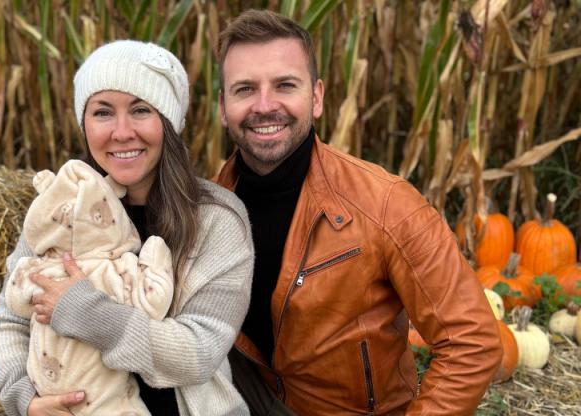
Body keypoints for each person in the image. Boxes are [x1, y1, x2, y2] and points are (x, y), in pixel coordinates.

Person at [214, 10, 503, 416]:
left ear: (316, 97)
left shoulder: (386, 205)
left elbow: (472, 341)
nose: (264, 105)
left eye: (285, 85)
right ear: (223, 106)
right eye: (245, 89)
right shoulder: (203, 210)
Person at [0, 39, 254, 416]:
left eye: (141, 110)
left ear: (168, 122)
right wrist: (24, 399)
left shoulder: (217, 220)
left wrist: (87, 313)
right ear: (84, 124)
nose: (122, 131)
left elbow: (198, 353)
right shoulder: (59, 208)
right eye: (103, 112)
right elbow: (9, 320)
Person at [2, 158, 175, 415]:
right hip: (92, 404)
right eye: (102, 114)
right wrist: (154, 260)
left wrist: (79, 309)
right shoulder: (113, 271)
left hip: (61, 389)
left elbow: (16, 299)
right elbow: (153, 301)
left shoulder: (39, 267)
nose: (121, 136)